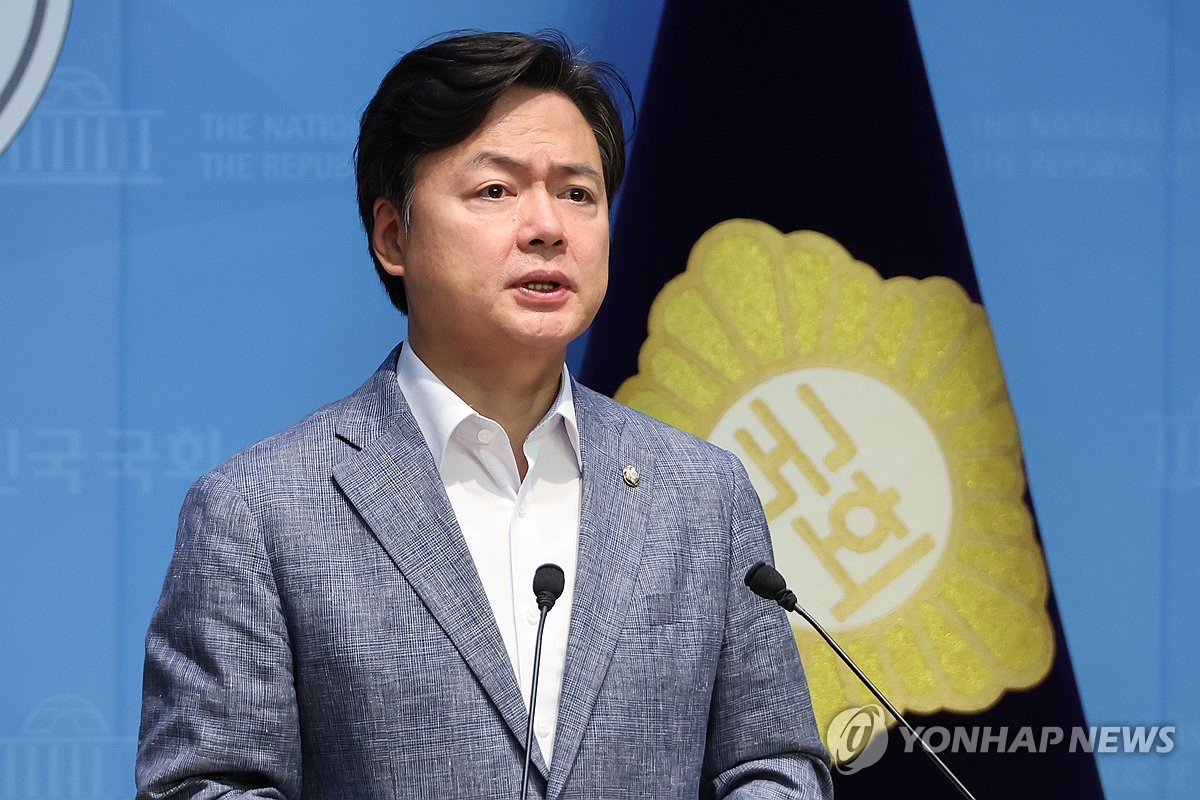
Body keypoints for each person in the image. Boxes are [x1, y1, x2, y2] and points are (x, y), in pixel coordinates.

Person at [136, 30, 833, 799]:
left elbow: (774, 763)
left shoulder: (703, 495)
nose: (548, 227)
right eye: (496, 191)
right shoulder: (261, 512)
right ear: (394, 237)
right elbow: (206, 786)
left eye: (578, 194)